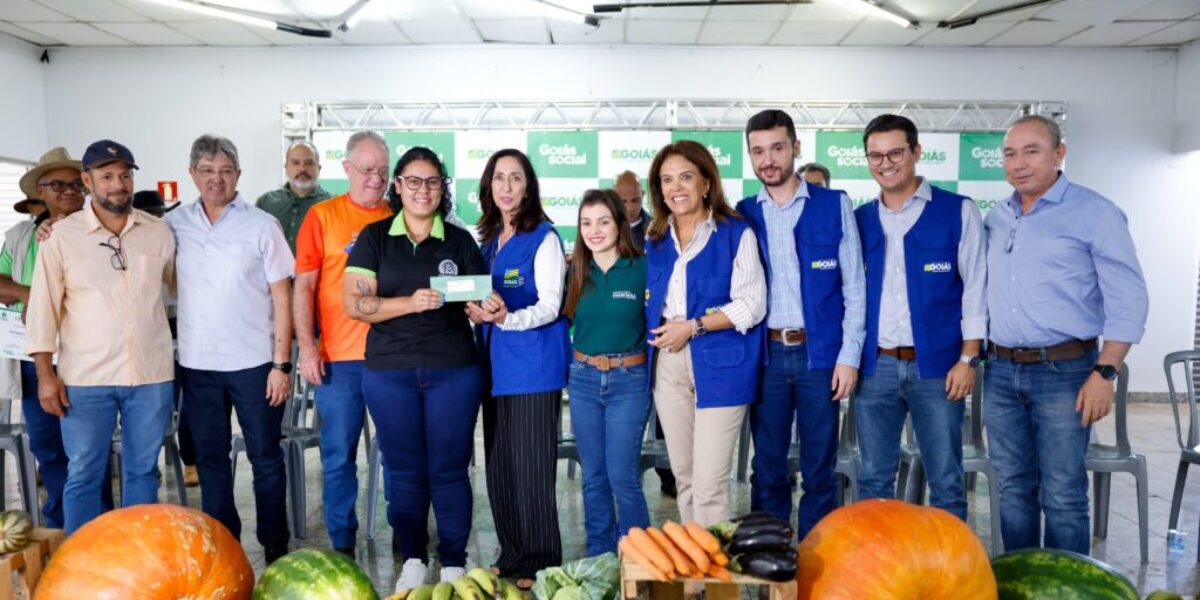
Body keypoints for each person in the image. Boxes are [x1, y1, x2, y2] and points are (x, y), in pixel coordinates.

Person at [984, 115, 1148, 554]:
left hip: (1065, 372)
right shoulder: (997, 217)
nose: (1019, 163)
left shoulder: (1095, 213)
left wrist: (1105, 372)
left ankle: (1064, 588)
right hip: (999, 371)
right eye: (1010, 153)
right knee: (1014, 488)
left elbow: (1128, 298)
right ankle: (1021, 581)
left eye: (1032, 151)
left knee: (1063, 493)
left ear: (1059, 154)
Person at [344, 146, 485, 591]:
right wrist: (411, 301)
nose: (423, 190)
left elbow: (476, 300)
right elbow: (355, 304)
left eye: (432, 181)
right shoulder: (374, 236)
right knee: (403, 470)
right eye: (413, 181)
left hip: (453, 371)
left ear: (443, 187)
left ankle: (454, 560)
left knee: (449, 469)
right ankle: (413, 557)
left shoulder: (460, 240)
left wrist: (488, 308)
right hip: (389, 372)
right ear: (398, 185)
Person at [25, 139, 175, 534]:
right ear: (88, 181)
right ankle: (82, 570)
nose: (118, 184)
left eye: (124, 175)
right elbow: (43, 311)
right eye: (107, 176)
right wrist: (45, 375)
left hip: (150, 375)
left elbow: (182, 291)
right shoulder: (60, 237)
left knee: (144, 472)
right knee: (84, 475)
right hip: (86, 378)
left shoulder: (158, 232)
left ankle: (137, 564)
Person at [736, 111, 864, 540]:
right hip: (767, 358)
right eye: (758, 150)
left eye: (776, 147)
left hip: (820, 358)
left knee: (820, 470)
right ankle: (768, 563)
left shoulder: (834, 204)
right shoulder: (742, 214)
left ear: (795, 147)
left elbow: (855, 287)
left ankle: (816, 562)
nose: (768, 159)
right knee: (767, 468)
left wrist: (849, 356)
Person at [167, 135, 294, 563]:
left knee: (265, 457)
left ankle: (275, 545)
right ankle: (223, 546)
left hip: (255, 363)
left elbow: (283, 297)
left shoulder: (262, 225)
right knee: (210, 460)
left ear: (238, 175)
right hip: (198, 365)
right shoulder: (173, 224)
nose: (216, 179)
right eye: (206, 171)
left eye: (224, 171)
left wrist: (281, 363)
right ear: (193, 175)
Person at [852, 114, 986, 521]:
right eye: (875, 155)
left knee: (946, 480)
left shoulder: (958, 211)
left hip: (939, 370)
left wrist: (967, 359)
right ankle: (879, 572)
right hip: (876, 368)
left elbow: (975, 290)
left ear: (916, 152)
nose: (885, 163)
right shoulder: (859, 219)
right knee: (874, 479)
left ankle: (953, 576)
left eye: (895, 152)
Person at [645, 140, 766, 527]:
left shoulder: (735, 233)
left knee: (710, 482)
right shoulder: (655, 240)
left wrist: (694, 326)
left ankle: (713, 584)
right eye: (666, 180)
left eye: (685, 177)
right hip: (668, 363)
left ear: (706, 183)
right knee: (684, 476)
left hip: (722, 363)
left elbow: (752, 304)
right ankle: (695, 577)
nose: (675, 188)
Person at [464, 149, 569, 588]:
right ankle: (512, 554)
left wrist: (508, 318)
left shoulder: (543, 237)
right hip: (493, 368)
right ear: (489, 185)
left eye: (516, 178)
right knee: (501, 466)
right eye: (499, 178)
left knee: (530, 469)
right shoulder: (488, 239)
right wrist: (474, 311)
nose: (506, 187)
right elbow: (477, 297)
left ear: (529, 186)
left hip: (532, 368)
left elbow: (550, 304)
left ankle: (540, 560)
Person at [0, 147, 113, 528]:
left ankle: (99, 527)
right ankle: (65, 525)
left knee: (89, 451)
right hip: (35, 359)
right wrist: (32, 295)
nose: (67, 192)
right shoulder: (19, 237)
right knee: (48, 448)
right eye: (56, 185)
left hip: (86, 357)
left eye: (74, 185)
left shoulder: (101, 228)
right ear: (40, 193)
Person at [294, 131, 394, 556]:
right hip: (339, 360)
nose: (376, 179)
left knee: (399, 456)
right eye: (368, 170)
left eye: (384, 171)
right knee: (338, 457)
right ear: (347, 169)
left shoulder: (402, 215)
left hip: (393, 359)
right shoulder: (322, 216)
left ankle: (406, 537)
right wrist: (308, 348)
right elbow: (304, 287)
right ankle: (342, 542)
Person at [562, 189, 651, 556]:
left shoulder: (643, 267)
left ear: (619, 223)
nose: (594, 230)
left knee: (622, 477)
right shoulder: (575, 272)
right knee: (594, 477)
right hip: (582, 379)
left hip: (628, 381)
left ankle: (638, 557)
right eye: (586, 223)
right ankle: (600, 557)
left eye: (603, 221)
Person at [610, 170, 675, 497]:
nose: (631, 207)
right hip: (620, 335)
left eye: (636, 199)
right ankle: (624, 471)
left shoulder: (659, 230)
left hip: (655, 330)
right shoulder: (604, 231)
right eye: (624, 201)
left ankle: (669, 474)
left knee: (666, 407)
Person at [133, 190, 197, 488]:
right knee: (149, 411)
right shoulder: (132, 249)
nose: (158, 220)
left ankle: (191, 462)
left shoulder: (175, 242)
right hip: (146, 340)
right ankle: (148, 465)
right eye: (152, 215)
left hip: (182, 335)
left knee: (186, 405)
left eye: (160, 214)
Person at [256, 141, 332, 252]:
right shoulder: (266, 202)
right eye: (296, 163)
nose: (302, 168)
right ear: (286, 167)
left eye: (309, 163)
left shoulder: (332, 204)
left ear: (318, 168)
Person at [612, 171, 650, 251]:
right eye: (623, 201)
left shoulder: (657, 229)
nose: (629, 208)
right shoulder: (603, 229)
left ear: (642, 195)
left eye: (635, 200)